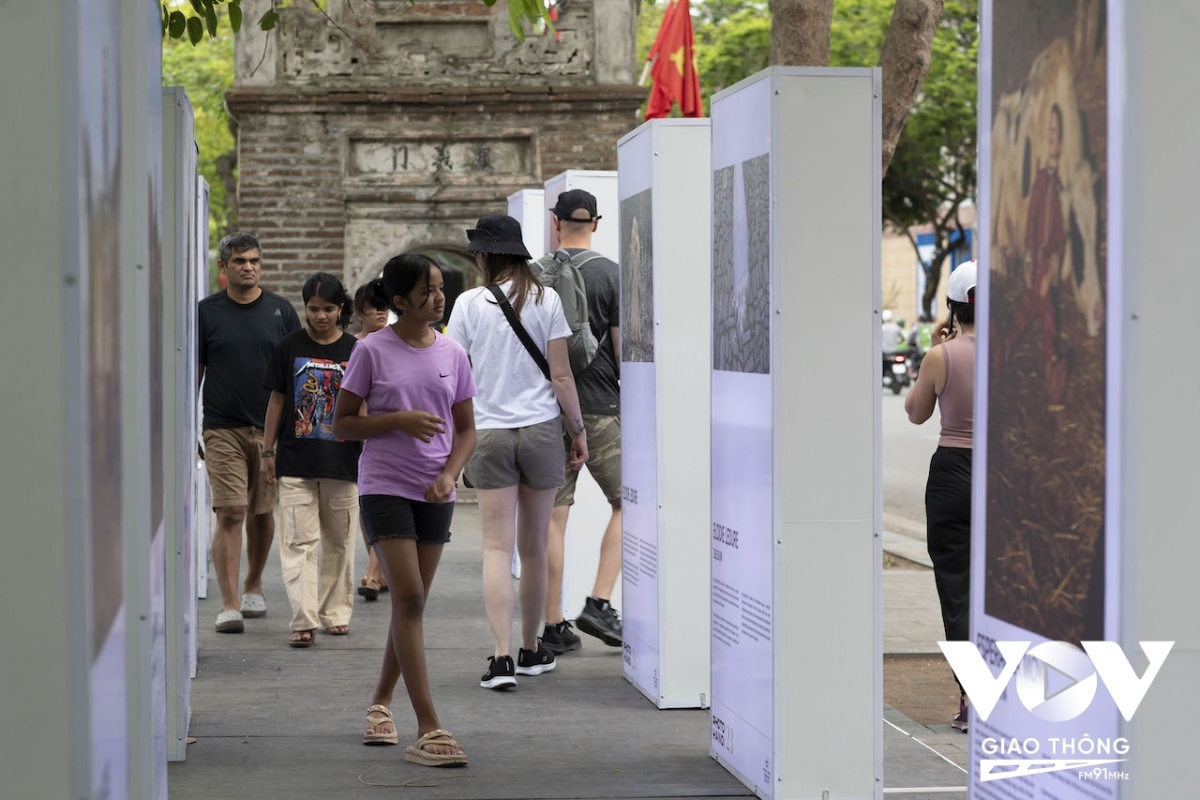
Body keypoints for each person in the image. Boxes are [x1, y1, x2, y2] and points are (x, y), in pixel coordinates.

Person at [333, 254, 476, 767]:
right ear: (398, 302)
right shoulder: (371, 351)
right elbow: (342, 424)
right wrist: (398, 421)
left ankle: (380, 703)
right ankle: (430, 726)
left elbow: (467, 429)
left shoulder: (453, 352)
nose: (438, 298)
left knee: (410, 607)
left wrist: (449, 473)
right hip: (385, 485)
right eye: (427, 291)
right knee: (410, 597)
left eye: (440, 288)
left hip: (437, 491)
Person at [445, 214, 588, 690]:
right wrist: (579, 429)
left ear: (486, 255)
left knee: (495, 547)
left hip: (489, 431)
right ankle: (531, 649)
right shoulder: (546, 299)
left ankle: (502, 658)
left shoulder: (467, 304)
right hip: (543, 430)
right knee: (535, 546)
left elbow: (452, 373)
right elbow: (562, 375)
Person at [198, 232, 301, 633]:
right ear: (223, 267)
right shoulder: (206, 312)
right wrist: (191, 427)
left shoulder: (280, 311)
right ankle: (228, 603)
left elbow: (294, 373)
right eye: (240, 261)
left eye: (254, 261)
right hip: (222, 426)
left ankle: (253, 582)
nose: (249, 267)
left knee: (261, 512)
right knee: (231, 511)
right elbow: (195, 371)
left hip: (270, 430)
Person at [537, 190, 623, 652]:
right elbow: (621, 348)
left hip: (548, 409)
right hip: (601, 407)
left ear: (555, 223)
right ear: (596, 224)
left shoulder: (533, 276)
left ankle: (552, 625)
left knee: (553, 518)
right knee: (632, 500)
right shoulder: (610, 273)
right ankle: (599, 602)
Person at [260, 272, 361, 647]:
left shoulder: (356, 349)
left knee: (340, 540)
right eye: (314, 308)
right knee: (299, 542)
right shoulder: (289, 346)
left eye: (329, 309)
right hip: (295, 459)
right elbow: (277, 400)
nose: (320, 316)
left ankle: (335, 611)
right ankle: (303, 619)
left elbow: (368, 402)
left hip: (343, 459)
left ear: (341, 309)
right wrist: (267, 451)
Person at [904, 259, 976, 733]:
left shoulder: (940, 356)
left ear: (951, 307)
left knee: (957, 588)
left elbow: (915, 413)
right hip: (1006, 474)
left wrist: (937, 347)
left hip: (952, 474)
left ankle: (973, 698)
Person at [353, 280, 391, 602]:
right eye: (372, 305)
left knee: (378, 505)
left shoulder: (396, 344)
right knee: (365, 508)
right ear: (358, 311)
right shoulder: (353, 346)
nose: (379, 310)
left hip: (387, 439)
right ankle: (378, 566)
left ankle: (374, 572)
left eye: (384, 304)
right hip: (354, 436)